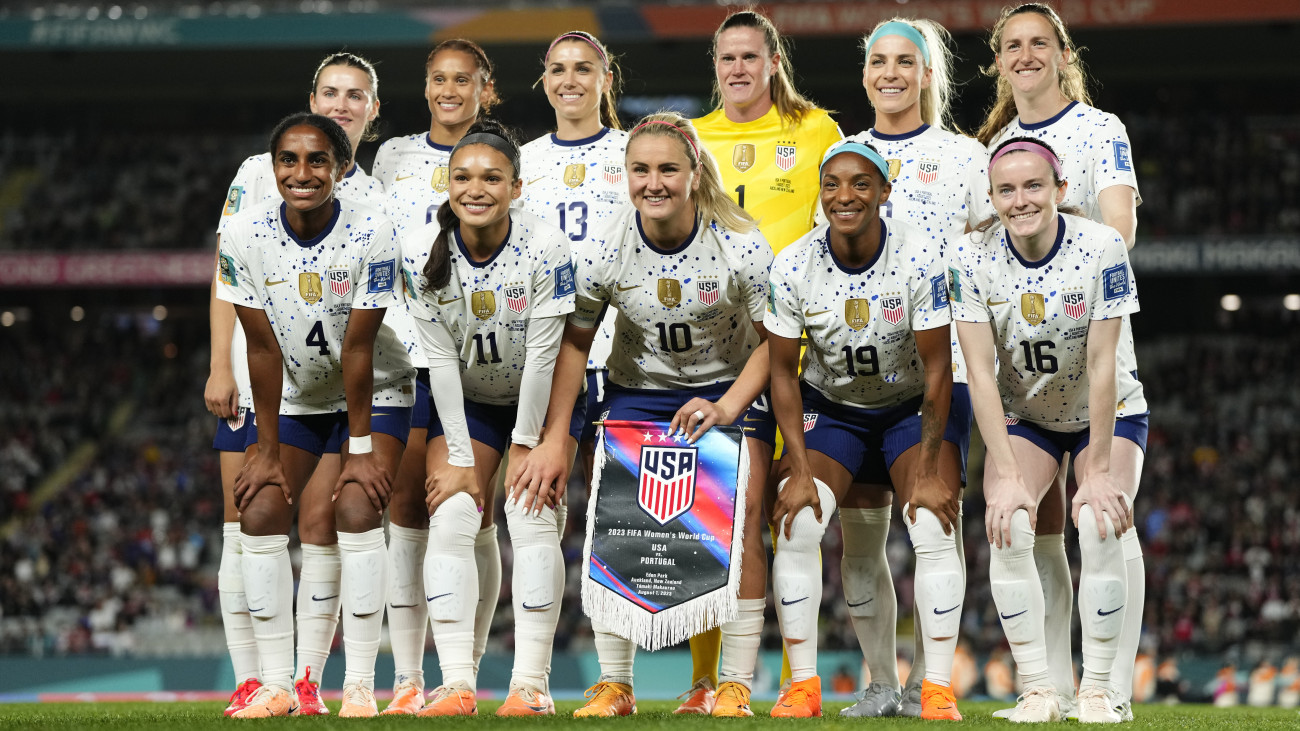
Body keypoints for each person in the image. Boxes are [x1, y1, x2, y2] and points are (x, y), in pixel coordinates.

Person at [513, 112, 774, 718]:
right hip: (639, 389)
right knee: (619, 520)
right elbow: (576, 344)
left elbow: (775, 344)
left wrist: (727, 405)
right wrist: (557, 435)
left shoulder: (739, 243)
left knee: (744, 519)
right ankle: (615, 684)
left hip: (728, 386)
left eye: (667, 169)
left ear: (694, 174)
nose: (652, 183)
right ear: (624, 175)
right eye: (640, 170)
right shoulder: (605, 246)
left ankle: (734, 684)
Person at [215, 112, 415, 718]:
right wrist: (267, 448)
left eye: (317, 160)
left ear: (340, 167)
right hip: (298, 394)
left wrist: (359, 450)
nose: (302, 173)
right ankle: (276, 686)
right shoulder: (243, 235)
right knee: (261, 509)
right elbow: (260, 348)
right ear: (272, 167)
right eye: (289, 161)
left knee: (356, 507)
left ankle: (357, 683)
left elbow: (358, 349)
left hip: (375, 389)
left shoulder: (373, 230)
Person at [976, 4, 1143, 719]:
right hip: (1027, 380)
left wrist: (1057, 266)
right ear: (998, 60)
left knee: (1102, 514)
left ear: (1063, 52)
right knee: (1025, 529)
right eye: (1012, 45)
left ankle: (1110, 685)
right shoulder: (993, 143)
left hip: (1093, 336)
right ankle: (1046, 685)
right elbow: (979, 243)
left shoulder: (1099, 130)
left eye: (1039, 42)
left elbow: (1121, 230)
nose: (1025, 55)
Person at [766, 141, 961, 720]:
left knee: (931, 524)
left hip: (908, 407)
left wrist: (926, 470)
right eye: (831, 184)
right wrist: (798, 468)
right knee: (798, 522)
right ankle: (822, 685)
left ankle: (935, 688)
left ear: (883, 192)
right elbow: (781, 371)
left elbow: (938, 370)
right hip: (836, 408)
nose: (844, 195)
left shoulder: (921, 256)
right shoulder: (794, 264)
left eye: (858, 183)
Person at [837, 18, 993, 718]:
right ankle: (879, 681)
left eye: (906, 60)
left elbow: (993, 257)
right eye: (878, 61)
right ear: (865, 72)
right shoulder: (843, 156)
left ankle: (933, 683)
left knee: (933, 523)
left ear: (929, 74)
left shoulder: (965, 157)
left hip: (943, 369)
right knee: (862, 533)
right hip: (855, 375)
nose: (890, 73)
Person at [690, 9, 842, 709]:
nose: (738, 69)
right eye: (727, 58)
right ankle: (707, 679)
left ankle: (795, 677)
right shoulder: (694, 137)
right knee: (711, 513)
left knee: (788, 514)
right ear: (715, 64)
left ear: (773, 61)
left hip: (799, 352)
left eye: (750, 57)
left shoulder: (816, 131)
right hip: (715, 351)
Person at [401, 119, 576, 716]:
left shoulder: (546, 248)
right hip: (469, 402)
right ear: (446, 184)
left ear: (517, 188)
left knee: (529, 517)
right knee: (451, 515)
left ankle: (531, 686)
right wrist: (459, 459)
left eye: (492, 178)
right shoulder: (424, 260)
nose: (476, 189)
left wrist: (528, 444)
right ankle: (455, 683)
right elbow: (441, 366)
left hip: (545, 400)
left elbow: (546, 358)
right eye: (463, 177)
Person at [368, 39, 502, 714]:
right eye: (439, 79)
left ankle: (462, 672)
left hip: (478, 357)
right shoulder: (392, 156)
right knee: (404, 510)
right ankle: (406, 680)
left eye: (463, 80)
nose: (450, 90)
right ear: (425, 88)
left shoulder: (500, 157)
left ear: (486, 88)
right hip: (401, 352)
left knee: (470, 514)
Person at [518, 29, 629, 514]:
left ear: (606, 79)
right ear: (544, 81)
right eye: (558, 69)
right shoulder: (523, 159)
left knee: (616, 504)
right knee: (536, 497)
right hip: (542, 347)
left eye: (583, 68)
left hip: (615, 351)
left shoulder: (634, 152)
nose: (570, 80)